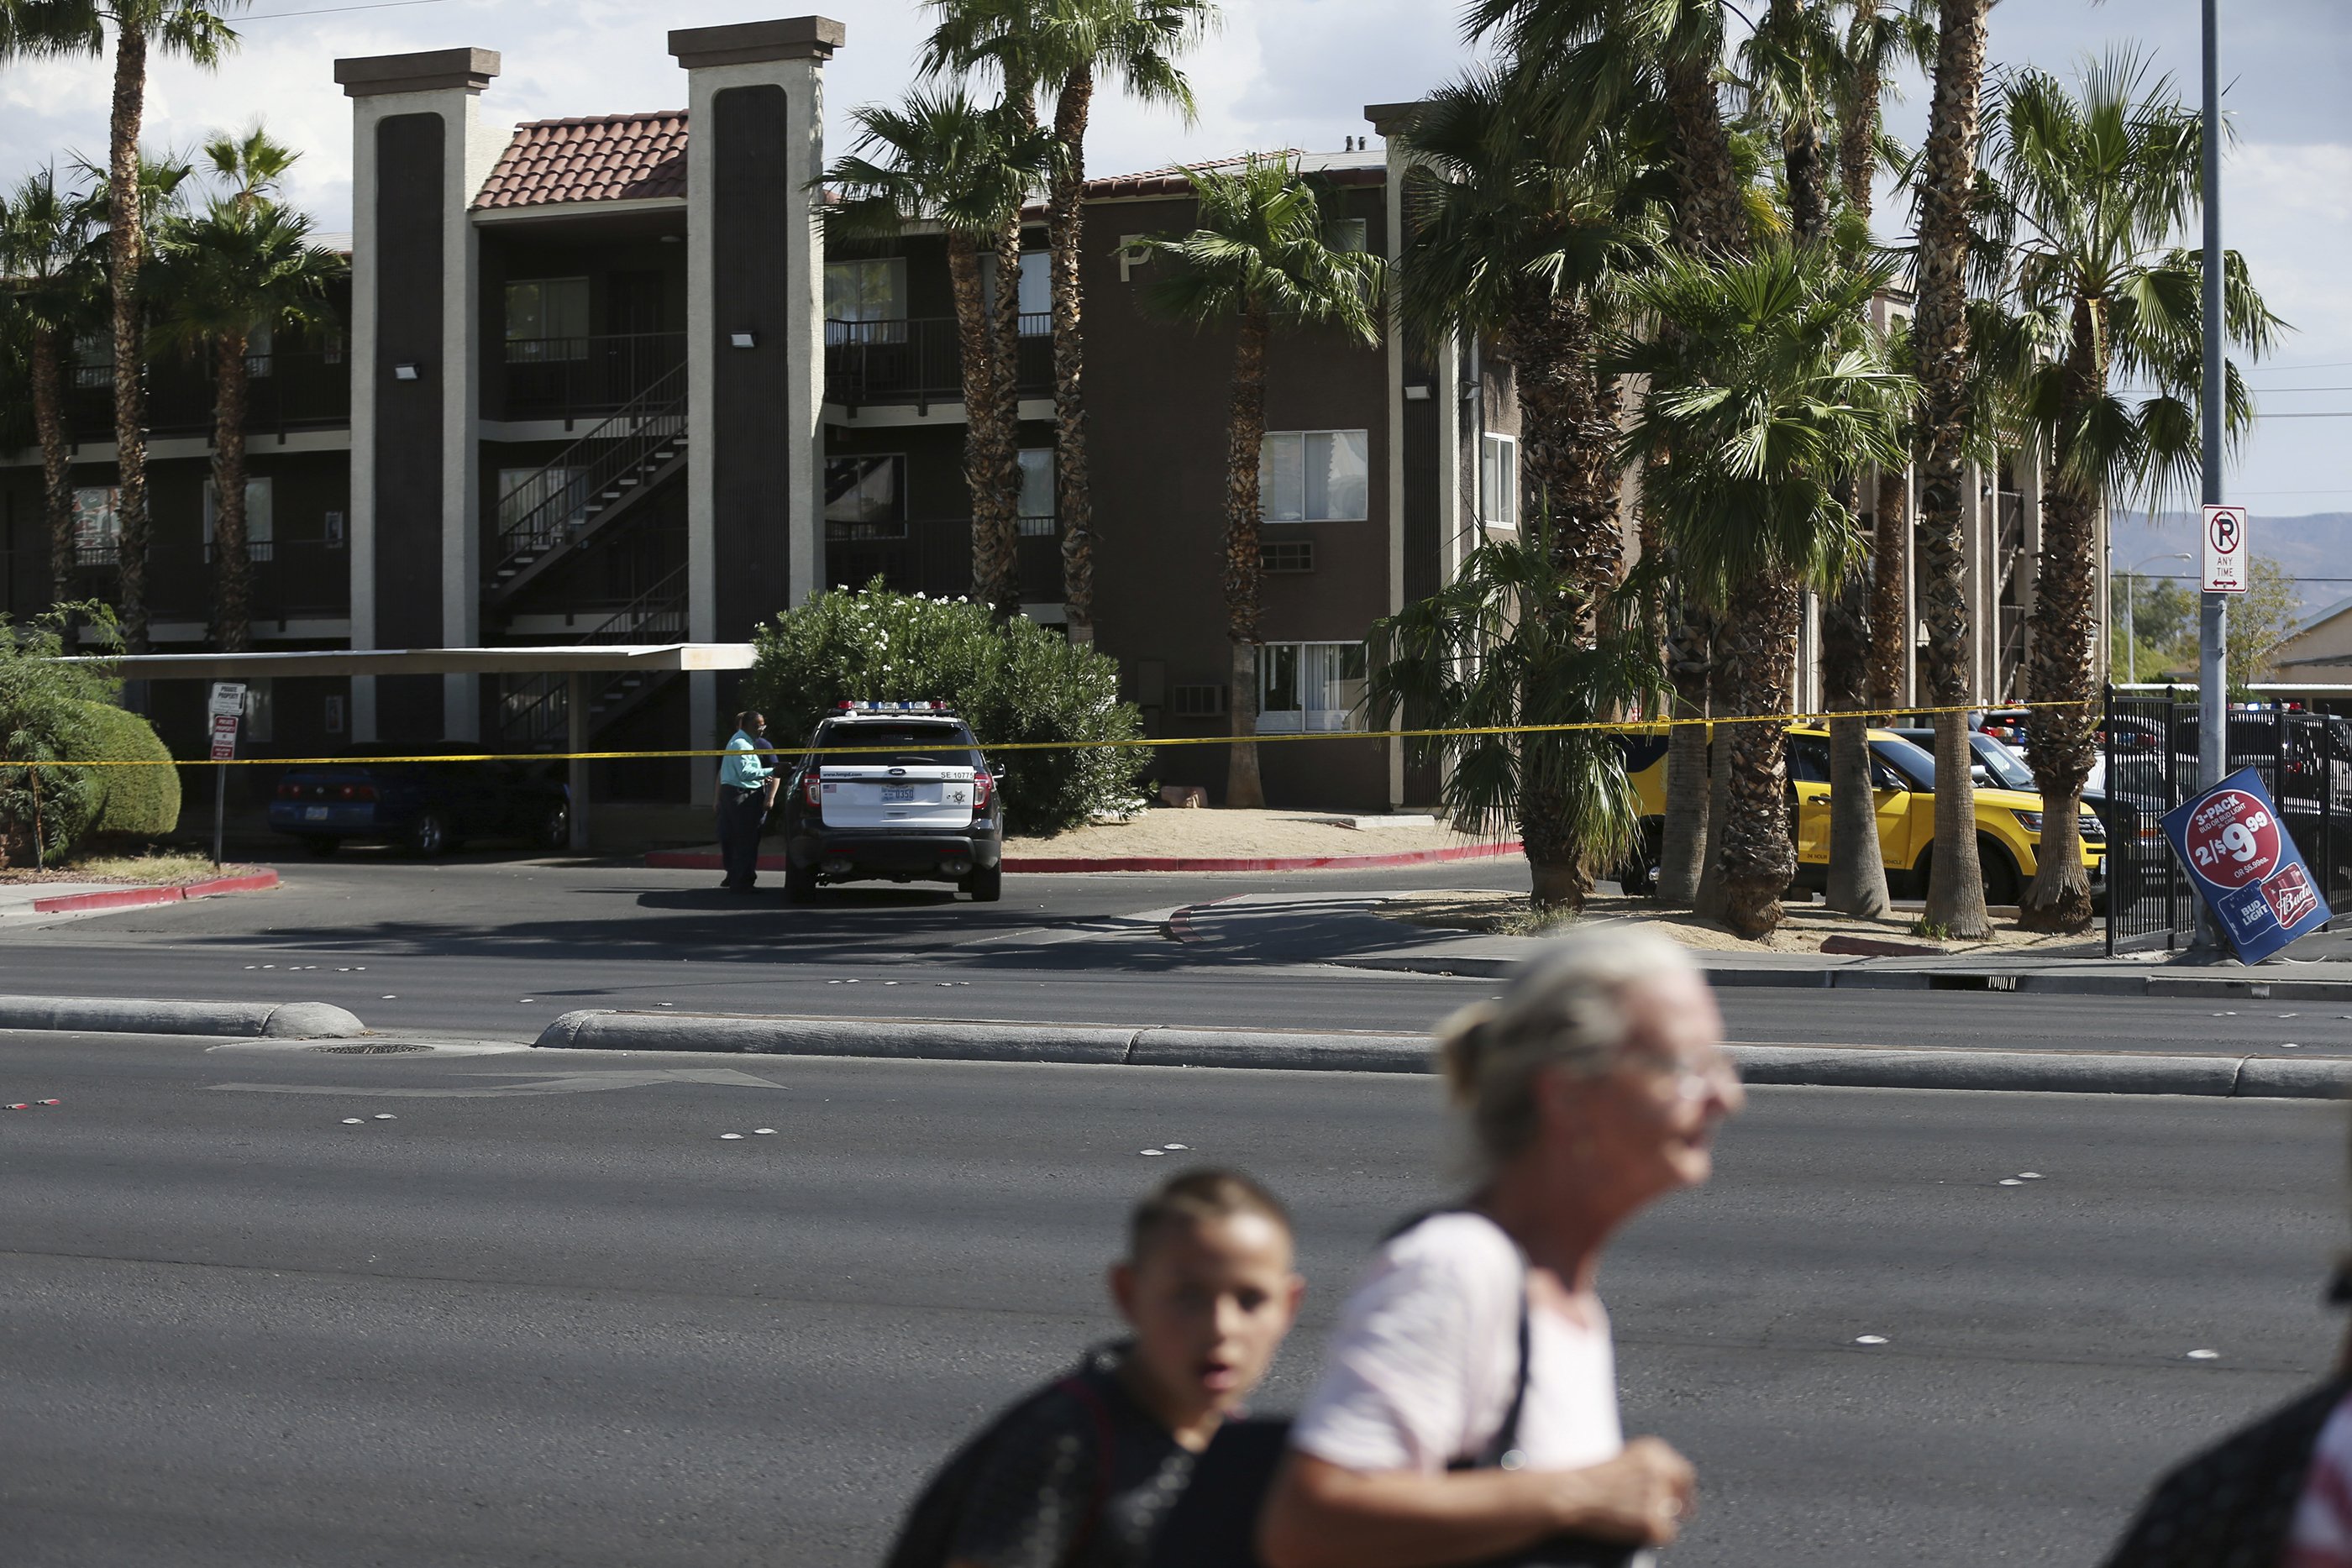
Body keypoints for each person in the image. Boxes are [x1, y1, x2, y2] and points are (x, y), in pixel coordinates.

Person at [1257, 927, 1743, 1568]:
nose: (1726, 1097)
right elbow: (1308, 1523)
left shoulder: (1566, 1298)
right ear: (1569, 1093)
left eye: (1720, 1063)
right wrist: (1582, 1493)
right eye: (1686, 1067)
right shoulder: (1458, 1267)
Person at [885, 1168, 1306, 1568]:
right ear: (1128, 1293)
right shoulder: (1066, 1441)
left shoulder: (1234, 1442)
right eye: (1188, 1297)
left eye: (1250, 1300)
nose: (1221, 1328)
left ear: (1289, 1306)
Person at [715, 710, 776, 893]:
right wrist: (771, 772)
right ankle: (741, 882)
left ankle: (739, 877)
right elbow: (745, 773)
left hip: (736, 793)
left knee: (739, 839)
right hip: (742, 797)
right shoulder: (742, 744)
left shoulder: (745, 742)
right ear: (750, 726)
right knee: (745, 840)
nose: (762, 729)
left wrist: (761, 779)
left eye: (763, 725)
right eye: (759, 726)